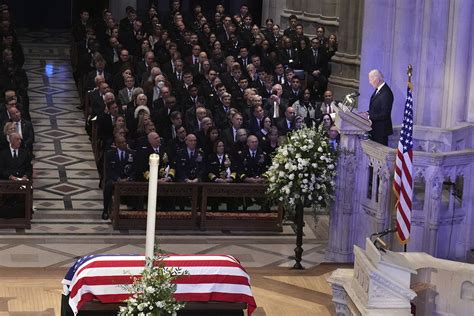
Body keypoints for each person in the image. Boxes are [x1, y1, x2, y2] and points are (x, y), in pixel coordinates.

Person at [102, 135, 135, 220]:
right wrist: (118, 179)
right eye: (121, 142)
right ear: (116, 144)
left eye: (125, 142)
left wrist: (128, 178)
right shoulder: (110, 154)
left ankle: (135, 210)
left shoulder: (131, 153)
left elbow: (134, 169)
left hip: (127, 179)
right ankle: (105, 210)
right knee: (108, 186)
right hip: (115, 179)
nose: (124, 144)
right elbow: (109, 170)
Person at [367, 69, 394, 145]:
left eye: (370, 80)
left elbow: (384, 114)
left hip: (380, 132)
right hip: (374, 130)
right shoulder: (379, 90)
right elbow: (375, 108)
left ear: (376, 79)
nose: (370, 82)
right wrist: (366, 113)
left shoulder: (386, 92)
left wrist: (369, 116)